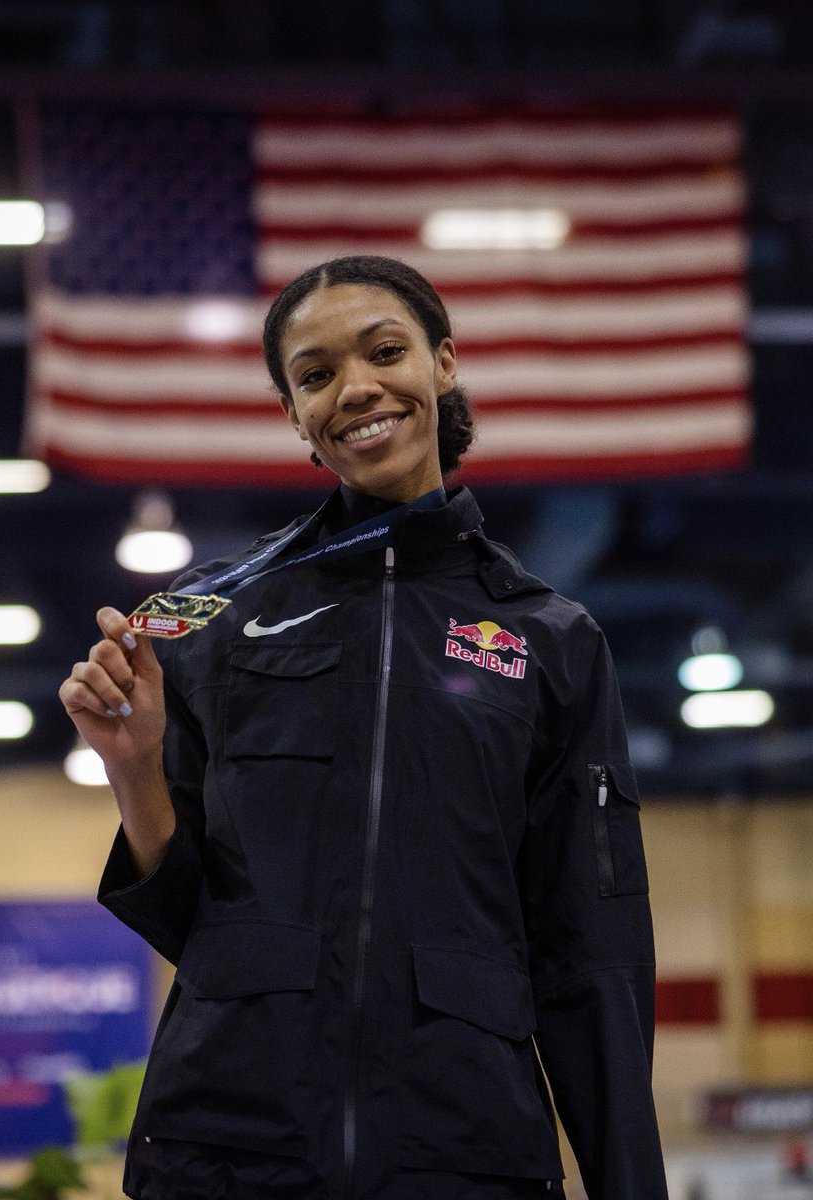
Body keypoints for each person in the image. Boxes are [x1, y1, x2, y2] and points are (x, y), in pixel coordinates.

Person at [59, 255, 668, 1200]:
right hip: (228, 1148)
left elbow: (591, 950)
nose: (356, 389)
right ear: (293, 413)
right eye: (315, 375)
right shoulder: (207, 618)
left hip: (463, 1152)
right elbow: (186, 915)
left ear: (444, 365)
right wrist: (133, 766)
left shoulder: (551, 642)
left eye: (385, 352)